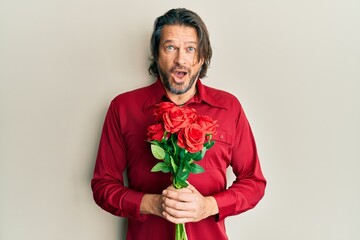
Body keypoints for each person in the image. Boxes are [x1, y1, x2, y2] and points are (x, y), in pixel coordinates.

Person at [91, 8, 266, 240]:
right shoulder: (123, 108)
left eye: (190, 49)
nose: (180, 59)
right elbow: (103, 186)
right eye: (170, 47)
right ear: (157, 53)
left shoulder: (229, 108)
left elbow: (254, 183)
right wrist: (152, 204)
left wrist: (208, 206)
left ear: (201, 57)